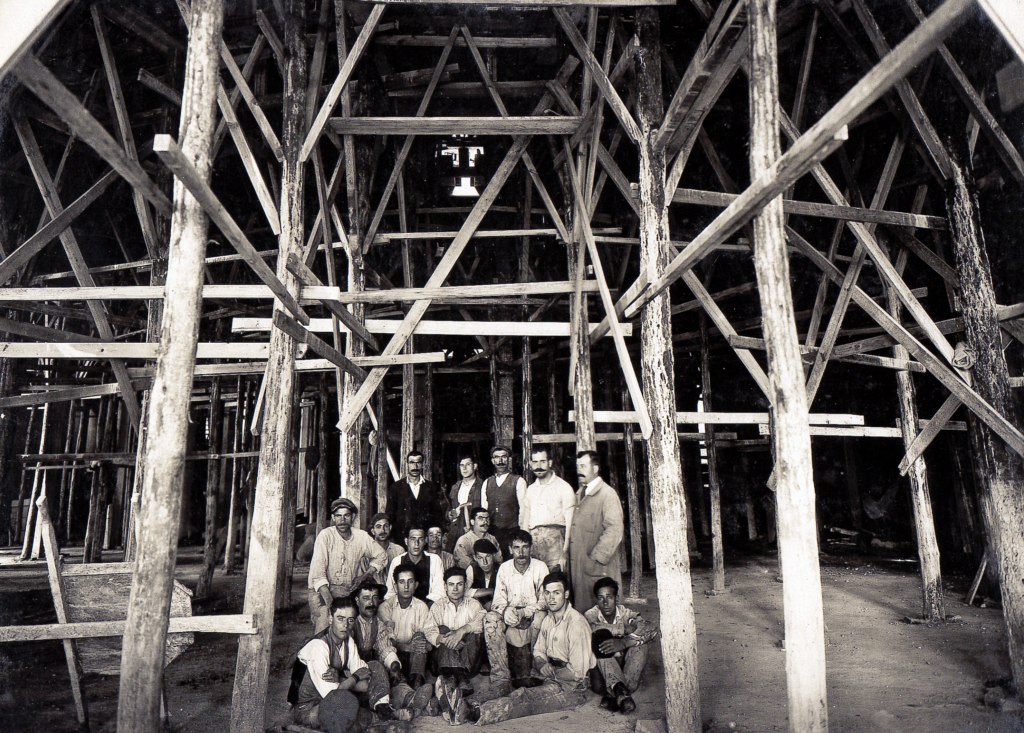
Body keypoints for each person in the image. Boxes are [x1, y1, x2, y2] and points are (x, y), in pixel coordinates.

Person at [293, 596, 396, 729]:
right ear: (330, 619)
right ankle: (378, 718)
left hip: (339, 698)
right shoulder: (318, 646)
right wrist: (354, 678)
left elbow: (365, 679)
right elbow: (332, 694)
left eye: (350, 620)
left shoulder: (348, 642)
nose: (345, 625)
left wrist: (342, 680)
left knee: (375, 666)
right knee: (345, 707)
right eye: (340, 619)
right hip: (310, 708)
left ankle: (380, 710)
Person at [349, 580, 435, 719]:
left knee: (395, 675)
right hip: (352, 673)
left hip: (371, 672)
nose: (371, 603)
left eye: (374, 598)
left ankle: (410, 698)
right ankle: (385, 708)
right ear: (357, 600)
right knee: (377, 669)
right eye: (365, 598)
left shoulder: (379, 624)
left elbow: (385, 649)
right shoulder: (351, 623)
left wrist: (394, 666)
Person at [308, 498, 387, 633]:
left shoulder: (361, 536)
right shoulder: (325, 536)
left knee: (356, 624)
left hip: (348, 590)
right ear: (333, 518)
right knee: (326, 624)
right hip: (322, 591)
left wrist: (365, 575)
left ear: (353, 517)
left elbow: (382, 555)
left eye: (346, 515)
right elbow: (317, 575)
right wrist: (332, 605)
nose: (342, 520)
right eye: (338, 516)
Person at [485, 530, 549, 689]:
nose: (521, 553)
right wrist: (505, 611)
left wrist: (525, 612)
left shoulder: (540, 567)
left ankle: (535, 669)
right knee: (490, 620)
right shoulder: (504, 568)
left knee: (541, 617)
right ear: (510, 549)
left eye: (525, 547)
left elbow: (545, 600)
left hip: (533, 612)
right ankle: (501, 676)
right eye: (516, 548)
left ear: (531, 548)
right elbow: (498, 599)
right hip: (511, 613)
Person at [584, 577, 658, 713]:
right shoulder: (591, 614)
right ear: (596, 600)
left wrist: (625, 642)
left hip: (626, 671)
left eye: (609, 597)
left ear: (617, 598)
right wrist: (624, 632)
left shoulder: (625, 613)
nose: (605, 603)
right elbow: (594, 627)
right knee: (601, 640)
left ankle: (618, 694)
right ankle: (620, 691)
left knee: (641, 644)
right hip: (602, 676)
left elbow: (650, 629)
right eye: (600, 598)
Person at [568, 451, 623, 612]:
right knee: (584, 610)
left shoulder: (607, 494)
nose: (579, 470)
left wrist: (596, 558)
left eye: (583, 466)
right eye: (578, 466)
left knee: (601, 611)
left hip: (597, 567)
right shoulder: (580, 494)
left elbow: (615, 528)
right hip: (581, 565)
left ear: (596, 468)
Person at [378, 562, 442, 691]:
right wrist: (405, 647)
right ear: (395, 586)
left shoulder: (421, 607)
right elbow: (385, 640)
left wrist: (423, 645)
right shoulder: (385, 607)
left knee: (420, 636)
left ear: (416, 585)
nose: (406, 586)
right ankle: (404, 683)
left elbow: (426, 638)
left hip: (416, 656)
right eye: (401, 582)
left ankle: (416, 681)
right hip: (393, 655)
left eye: (410, 582)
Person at [533, 571, 596, 688]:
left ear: (566, 594)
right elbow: (538, 651)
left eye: (556, 593)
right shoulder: (548, 619)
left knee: (523, 699)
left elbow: (577, 672)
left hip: (573, 684)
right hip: (554, 676)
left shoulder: (577, 624)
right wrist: (542, 665)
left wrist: (548, 677)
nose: (551, 598)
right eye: (547, 593)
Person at [520, 447, 575, 572]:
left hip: (555, 544)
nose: (538, 466)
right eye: (535, 462)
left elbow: (570, 523)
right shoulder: (531, 490)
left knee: (555, 581)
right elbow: (525, 522)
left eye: (542, 461)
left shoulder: (564, 487)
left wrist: (565, 552)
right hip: (534, 543)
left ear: (550, 463)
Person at [431, 566, 486, 689]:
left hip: (468, 661)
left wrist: (462, 631)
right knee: (443, 629)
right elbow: (429, 630)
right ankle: (453, 676)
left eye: (459, 584)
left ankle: (460, 676)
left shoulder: (473, 604)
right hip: (443, 660)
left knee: (473, 632)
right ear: (445, 587)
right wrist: (448, 640)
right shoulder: (438, 606)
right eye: (451, 584)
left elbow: (482, 621)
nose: (455, 589)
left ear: (465, 586)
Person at [387, 451, 447, 544]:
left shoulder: (431, 487)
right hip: (402, 540)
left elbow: (437, 516)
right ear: (407, 464)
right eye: (412, 463)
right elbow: (390, 515)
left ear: (422, 464)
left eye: (418, 463)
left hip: (424, 541)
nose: (415, 467)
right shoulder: (396, 487)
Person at [482, 445, 527, 559]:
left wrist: (521, 534)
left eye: (503, 457)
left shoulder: (518, 481)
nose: (500, 461)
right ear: (493, 460)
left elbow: (524, 510)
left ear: (509, 459)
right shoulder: (487, 482)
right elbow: (484, 509)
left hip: (511, 533)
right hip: (493, 533)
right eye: (496, 457)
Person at [384, 526, 445, 604]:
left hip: (427, 607)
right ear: (406, 541)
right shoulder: (397, 561)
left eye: (420, 539)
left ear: (426, 541)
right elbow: (390, 592)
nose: (416, 543)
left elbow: (439, 592)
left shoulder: (434, 560)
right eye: (413, 539)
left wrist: (421, 607)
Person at [446, 455, 483, 552]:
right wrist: (450, 514)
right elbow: (448, 510)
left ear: (475, 466)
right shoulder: (455, 487)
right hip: (455, 532)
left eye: (468, 464)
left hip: (474, 533)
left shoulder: (482, 486)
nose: (464, 468)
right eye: (462, 465)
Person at [367, 513, 405, 586]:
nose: (382, 530)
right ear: (373, 531)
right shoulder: (367, 550)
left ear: (390, 528)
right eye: (378, 527)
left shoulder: (399, 550)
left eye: (386, 526)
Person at [465, 538, 500, 610]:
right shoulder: (472, 569)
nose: (485, 562)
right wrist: (491, 591)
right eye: (480, 558)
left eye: (488, 556)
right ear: (475, 558)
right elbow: (464, 592)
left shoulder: (501, 569)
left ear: (493, 556)